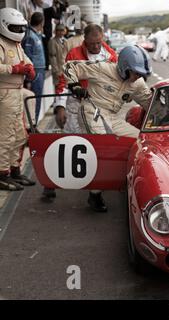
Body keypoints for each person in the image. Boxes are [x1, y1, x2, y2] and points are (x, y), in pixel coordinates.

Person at [60, 46, 152, 211]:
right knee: (103, 148)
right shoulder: (102, 68)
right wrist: (74, 86)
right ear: (124, 67)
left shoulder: (138, 83)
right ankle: (95, 194)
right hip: (91, 110)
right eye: (136, 72)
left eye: (141, 73)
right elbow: (69, 66)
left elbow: (149, 103)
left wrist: (168, 110)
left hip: (112, 117)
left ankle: (128, 179)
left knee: (141, 140)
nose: (138, 76)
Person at [43, 24, 118, 207]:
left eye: (98, 42)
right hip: (75, 105)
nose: (95, 46)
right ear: (85, 40)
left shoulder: (111, 56)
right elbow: (63, 81)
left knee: (99, 148)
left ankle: (95, 194)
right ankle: (50, 182)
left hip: (99, 107)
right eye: (92, 43)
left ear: (103, 39)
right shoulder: (74, 54)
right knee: (68, 145)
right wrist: (59, 107)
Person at [0, 8, 36, 191]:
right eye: (15, 28)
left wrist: (29, 68)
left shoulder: (16, 44)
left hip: (16, 92)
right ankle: (2, 174)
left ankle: (14, 171)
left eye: (22, 28)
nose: (20, 32)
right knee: (5, 137)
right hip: (4, 93)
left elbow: (26, 61)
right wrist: (14, 70)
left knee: (19, 135)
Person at [22, 11, 46, 121]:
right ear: (41, 22)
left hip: (39, 71)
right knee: (34, 99)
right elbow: (27, 57)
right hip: (35, 72)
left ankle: (34, 123)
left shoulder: (36, 35)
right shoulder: (29, 36)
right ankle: (32, 125)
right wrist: (28, 79)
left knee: (38, 99)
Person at [47, 23, 66, 89]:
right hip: (58, 71)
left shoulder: (65, 41)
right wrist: (56, 71)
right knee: (59, 91)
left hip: (65, 70)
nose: (61, 32)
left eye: (62, 30)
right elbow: (52, 57)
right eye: (59, 30)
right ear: (55, 31)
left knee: (64, 92)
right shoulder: (52, 41)